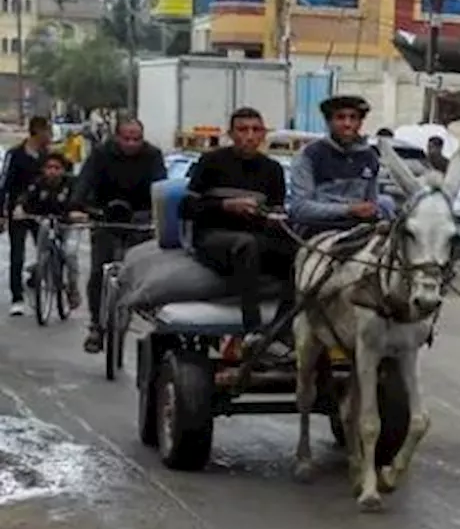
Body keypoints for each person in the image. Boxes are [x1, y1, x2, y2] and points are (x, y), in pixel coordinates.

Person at [182, 107, 294, 350]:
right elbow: (187, 207)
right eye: (243, 130)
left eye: (256, 130)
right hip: (213, 238)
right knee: (246, 245)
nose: (250, 136)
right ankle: (252, 329)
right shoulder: (211, 162)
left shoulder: (272, 169)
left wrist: (276, 218)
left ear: (264, 134)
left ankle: (282, 328)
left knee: (301, 252)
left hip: (257, 235)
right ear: (231, 134)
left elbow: (276, 210)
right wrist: (225, 206)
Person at [73, 116, 166, 353]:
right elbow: (85, 181)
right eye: (127, 138)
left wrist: (159, 214)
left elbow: (160, 187)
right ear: (116, 137)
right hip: (105, 215)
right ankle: (96, 325)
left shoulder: (153, 155)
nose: (132, 144)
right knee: (97, 270)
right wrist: (78, 207)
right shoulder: (101, 154)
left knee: (144, 267)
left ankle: (146, 309)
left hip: (139, 217)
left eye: (137, 139)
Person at [287, 94, 390, 240]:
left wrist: (374, 210)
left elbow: (371, 201)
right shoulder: (310, 155)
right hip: (317, 230)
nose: (347, 124)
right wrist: (348, 210)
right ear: (329, 122)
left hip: (359, 229)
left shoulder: (369, 157)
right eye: (340, 118)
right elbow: (299, 208)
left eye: (353, 118)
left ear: (360, 123)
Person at [12, 153, 84, 311]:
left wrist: (79, 213)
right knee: (43, 241)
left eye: (57, 168)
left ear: (64, 170)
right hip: (47, 222)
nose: (52, 171)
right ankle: (41, 267)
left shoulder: (73, 184)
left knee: (70, 253)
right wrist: (20, 208)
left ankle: (73, 289)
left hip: (70, 224)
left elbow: (82, 201)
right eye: (49, 167)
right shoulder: (38, 184)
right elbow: (26, 197)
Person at [2, 116, 52, 315]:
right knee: (17, 254)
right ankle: (17, 296)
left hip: (41, 210)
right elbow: (4, 183)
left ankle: (35, 276)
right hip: (19, 211)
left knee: (47, 249)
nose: (50, 135)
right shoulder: (15, 154)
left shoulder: (47, 156)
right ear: (37, 131)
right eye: (47, 131)